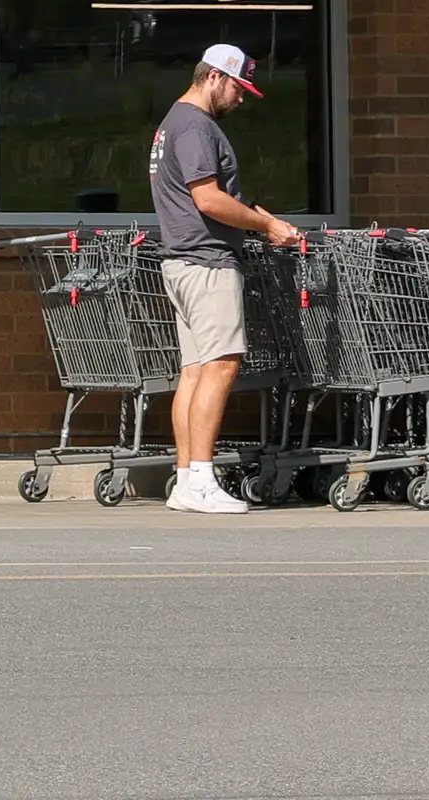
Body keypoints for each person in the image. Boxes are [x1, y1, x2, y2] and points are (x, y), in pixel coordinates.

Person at [149, 42, 305, 514]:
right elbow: (210, 201)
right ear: (214, 77)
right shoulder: (196, 126)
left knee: (195, 372)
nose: (241, 98)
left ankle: (184, 480)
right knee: (221, 366)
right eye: (239, 88)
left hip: (184, 261)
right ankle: (200, 479)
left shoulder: (174, 122)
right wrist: (266, 227)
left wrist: (266, 217)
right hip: (207, 262)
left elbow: (221, 195)